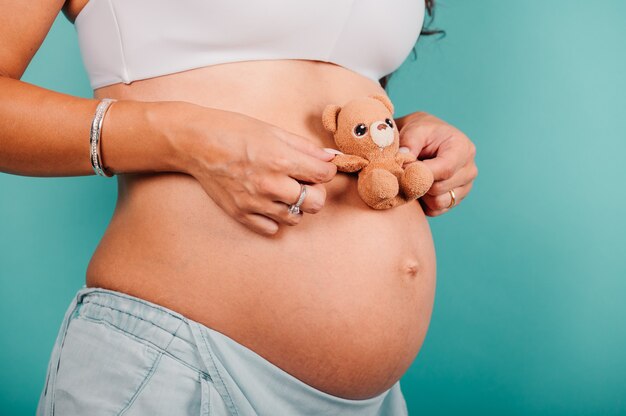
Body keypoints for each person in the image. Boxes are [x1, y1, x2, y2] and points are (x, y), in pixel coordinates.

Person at [1, 0, 477, 415]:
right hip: (177, 365)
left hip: (374, 401)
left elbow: (306, 87)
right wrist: (187, 137)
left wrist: (396, 136)